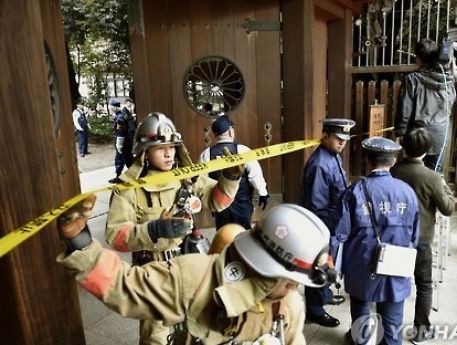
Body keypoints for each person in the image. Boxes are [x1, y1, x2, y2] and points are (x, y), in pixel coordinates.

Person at [57, 202, 334, 345]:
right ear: (268, 270)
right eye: (290, 282)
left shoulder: (289, 307)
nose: (293, 290)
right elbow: (127, 287)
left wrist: (230, 177)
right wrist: (82, 244)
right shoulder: (195, 277)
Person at [103, 112, 243, 345]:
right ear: (145, 151)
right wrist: (154, 230)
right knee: (155, 337)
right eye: (160, 148)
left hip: (190, 268)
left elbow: (217, 202)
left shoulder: (187, 178)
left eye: (172, 146)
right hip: (153, 275)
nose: (169, 153)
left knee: (197, 329)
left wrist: (230, 178)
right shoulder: (128, 187)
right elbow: (115, 236)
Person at [330, 137, 420, 345]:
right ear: (393, 162)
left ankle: (360, 340)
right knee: (392, 320)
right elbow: (414, 234)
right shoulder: (407, 192)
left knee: (361, 308)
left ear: (368, 161)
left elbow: (339, 234)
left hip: (361, 262)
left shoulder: (354, 191)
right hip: (396, 261)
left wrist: (335, 267)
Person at [390, 128, 455, 344]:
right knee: (424, 284)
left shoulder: (393, 171)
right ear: (427, 151)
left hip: (394, 239)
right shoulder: (432, 177)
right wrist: (446, 190)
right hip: (421, 240)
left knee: (394, 281)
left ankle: (390, 329)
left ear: (404, 146)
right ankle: (421, 331)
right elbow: (447, 208)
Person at [299, 118, 356, 328]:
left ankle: (325, 294)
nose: (342, 144)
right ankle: (315, 309)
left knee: (327, 263)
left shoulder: (333, 157)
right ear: (325, 136)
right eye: (339, 139)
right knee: (318, 264)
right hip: (320, 223)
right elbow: (317, 204)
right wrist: (325, 231)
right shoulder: (319, 164)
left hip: (331, 221)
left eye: (345, 140)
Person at [394, 38, 457, 173]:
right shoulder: (448, 80)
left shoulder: (412, 79)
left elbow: (405, 109)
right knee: (435, 173)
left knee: (412, 170)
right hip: (441, 133)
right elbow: (451, 103)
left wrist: (400, 132)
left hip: (417, 134)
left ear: (418, 58)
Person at [198, 115, 269, 230]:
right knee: (243, 233)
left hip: (220, 203)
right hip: (242, 202)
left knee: (223, 233)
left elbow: (200, 180)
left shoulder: (206, 154)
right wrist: (263, 193)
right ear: (230, 132)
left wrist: (209, 202)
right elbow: (255, 176)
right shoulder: (243, 150)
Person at [108, 99, 134, 184]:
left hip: (124, 143)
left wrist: (119, 144)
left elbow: (120, 133)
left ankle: (135, 176)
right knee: (119, 160)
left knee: (128, 161)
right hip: (124, 142)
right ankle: (118, 176)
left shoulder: (120, 118)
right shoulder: (121, 115)